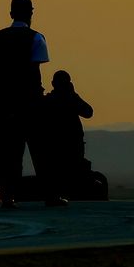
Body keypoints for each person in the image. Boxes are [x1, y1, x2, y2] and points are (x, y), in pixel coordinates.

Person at [0, 0, 54, 207]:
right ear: (30, 14)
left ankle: (7, 195)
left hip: (2, 105)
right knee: (40, 150)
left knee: (7, 153)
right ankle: (49, 195)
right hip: (29, 104)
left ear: (11, 13)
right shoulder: (36, 38)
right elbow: (34, 70)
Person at [38, 70, 94, 202]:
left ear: (53, 84)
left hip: (62, 144)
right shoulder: (68, 100)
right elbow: (88, 111)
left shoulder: (50, 100)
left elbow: (88, 112)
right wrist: (73, 96)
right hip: (67, 143)